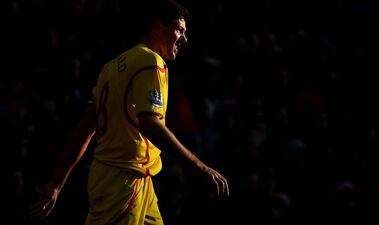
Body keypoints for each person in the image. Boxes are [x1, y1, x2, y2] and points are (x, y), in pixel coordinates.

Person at [29, 0, 229, 224]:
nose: (184, 38)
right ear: (157, 27)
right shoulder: (150, 61)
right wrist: (199, 167)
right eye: (179, 29)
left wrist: (56, 183)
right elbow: (150, 123)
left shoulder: (110, 68)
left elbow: (84, 130)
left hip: (131, 180)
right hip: (124, 181)